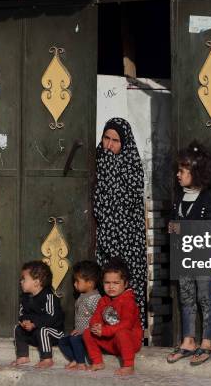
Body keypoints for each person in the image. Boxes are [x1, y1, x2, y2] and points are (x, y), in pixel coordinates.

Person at [166, 140, 211, 366]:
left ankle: (207, 341)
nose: (178, 175)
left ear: (196, 172)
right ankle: (188, 340)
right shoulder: (179, 198)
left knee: (204, 298)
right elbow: (174, 226)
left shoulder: (208, 199)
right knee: (186, 298)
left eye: (182, 170)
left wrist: (183, 228)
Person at [93, 117, 147, 329]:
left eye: (115, 140)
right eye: (106, 138)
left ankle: (129, 329)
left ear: (124, 143)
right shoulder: (97, 160)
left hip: (128, 237)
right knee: (106, 281)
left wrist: (111, 167)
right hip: (106, 233)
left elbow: (127, 200)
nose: (109, 145)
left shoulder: (132, 165)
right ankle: (105, 329)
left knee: (126, 281)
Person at [83, 258, 143, 376]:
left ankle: (129, 365)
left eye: (116, 283)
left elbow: (127, 324)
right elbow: (95, 317)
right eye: (107, 283)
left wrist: (105, 331)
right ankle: (97, 361)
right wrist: (96, 326)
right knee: (87, 333)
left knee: (122, 333)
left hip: (129, 342)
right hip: (111, 341)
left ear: (125, 284)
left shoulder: (128, 301)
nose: (111, 287)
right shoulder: (103, 300)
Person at [12, 260, 64, 368]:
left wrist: (34, 323)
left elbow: (51, 317)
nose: (21, 282)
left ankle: (47, 359)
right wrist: (24, 322)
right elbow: (22, 314)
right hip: (34, 332)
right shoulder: (25, 297)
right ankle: (22, 356)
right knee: (18, 328)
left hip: (53, 333)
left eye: (24, 279)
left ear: (36, 282)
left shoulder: (49, 297)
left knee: (43, 330)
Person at [58, 260, 102, 370]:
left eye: (77, 281)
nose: (74, 284)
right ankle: (75, 359)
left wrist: (84, 330)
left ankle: (81, 363)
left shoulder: (95, 299)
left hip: (90, 334)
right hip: (79, 332)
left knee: (74, 339)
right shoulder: (82, 297)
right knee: (62, 341)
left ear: (90, 283)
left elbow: (99, 319)